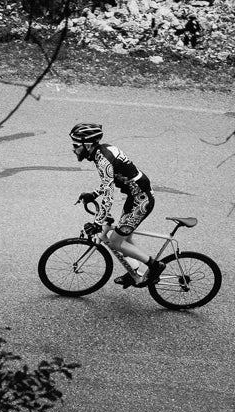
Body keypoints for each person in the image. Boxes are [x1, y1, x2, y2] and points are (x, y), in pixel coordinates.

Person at [70, 122, 165, 288]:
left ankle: (155, 266)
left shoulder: (103, 161)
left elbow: (109, 195)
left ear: (88, 145)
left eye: (76, 145)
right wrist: (93, 194)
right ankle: (136, 271)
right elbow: (110, 181)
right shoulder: (103, 151)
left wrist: (98, 222)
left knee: (115, 242)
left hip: (141, 202)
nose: (73, 149)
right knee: (125, 239)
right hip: (136, 197)